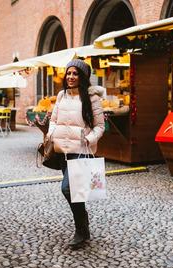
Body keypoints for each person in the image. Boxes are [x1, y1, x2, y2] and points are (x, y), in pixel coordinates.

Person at [47, 59, 105, 249]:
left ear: (83, 77)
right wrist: (51, 133)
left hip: (81, 151)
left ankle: (81, 228)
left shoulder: (92, 98)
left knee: (67, 189)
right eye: (69, 73)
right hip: (62, 150)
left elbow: (100, 126)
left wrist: (90, 139)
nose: (71, 77)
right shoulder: (62, 95)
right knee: (76, 192)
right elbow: (54, 120)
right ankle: (83, 229)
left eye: (76, 74)